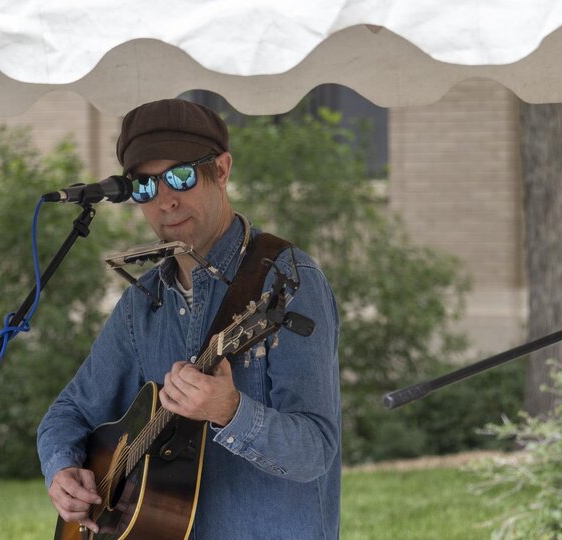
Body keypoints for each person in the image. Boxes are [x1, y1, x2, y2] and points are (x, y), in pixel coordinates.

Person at [37, 98, 342, 539]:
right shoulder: (143, 304)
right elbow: (68, 412)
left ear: (222, 169)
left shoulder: (288, 280)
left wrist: (230, 411)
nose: (165, 201)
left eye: (180, 176)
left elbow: (316, 450)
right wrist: (62, 468)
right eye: (144, 186)